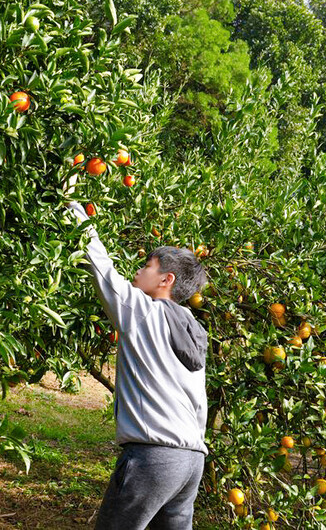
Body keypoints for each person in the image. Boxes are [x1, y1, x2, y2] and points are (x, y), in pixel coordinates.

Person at [65, 201, 209, 530]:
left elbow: (100, 267)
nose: (137, 272)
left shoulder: (143, 310)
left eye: (146, 266)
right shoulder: (193, 327)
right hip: (190, 461)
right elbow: (199, 403)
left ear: (166, 279)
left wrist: (72, 206)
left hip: (153, 458)